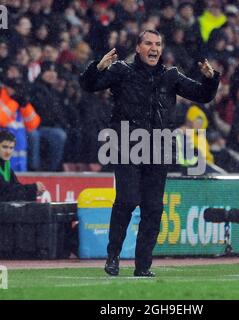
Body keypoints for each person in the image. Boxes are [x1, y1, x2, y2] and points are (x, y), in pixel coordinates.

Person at [79, 30, 220, 277]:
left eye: (158, 44)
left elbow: (203, 95)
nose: (154, 48)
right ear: (138, 48)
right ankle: (113, 257)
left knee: (153, 208)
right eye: (148, 43)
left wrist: (210, 79)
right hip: (126, 144)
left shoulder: (171, 75)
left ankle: (142, 266)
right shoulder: (122, 70)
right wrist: (98, 68)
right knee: (127, 200)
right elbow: (88, 85)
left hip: (160, 147)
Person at [0, 130, 46, 202]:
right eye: (4, 147)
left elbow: (16, 187)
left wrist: (34, 191)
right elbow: (5, 193)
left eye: (11, 148)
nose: (8, 151)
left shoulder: (6, 165)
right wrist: (32, 189)